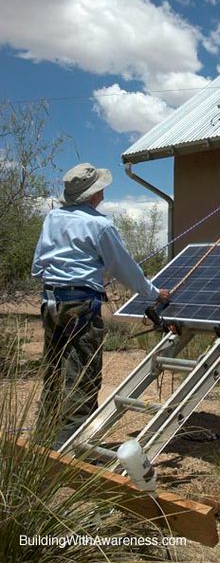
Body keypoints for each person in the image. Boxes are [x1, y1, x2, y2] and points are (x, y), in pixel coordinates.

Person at [32, 162, 169, 449]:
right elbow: (125, 269)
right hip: (81, 305)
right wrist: (154, 293)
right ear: (92, 194)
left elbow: (38, 265)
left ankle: (43, 440)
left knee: (54, 371)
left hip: (50, 301)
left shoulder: (52, 219)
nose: (103, 192)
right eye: (100, 189)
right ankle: (69, 449)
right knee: (82, 375)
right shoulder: (100, 225)